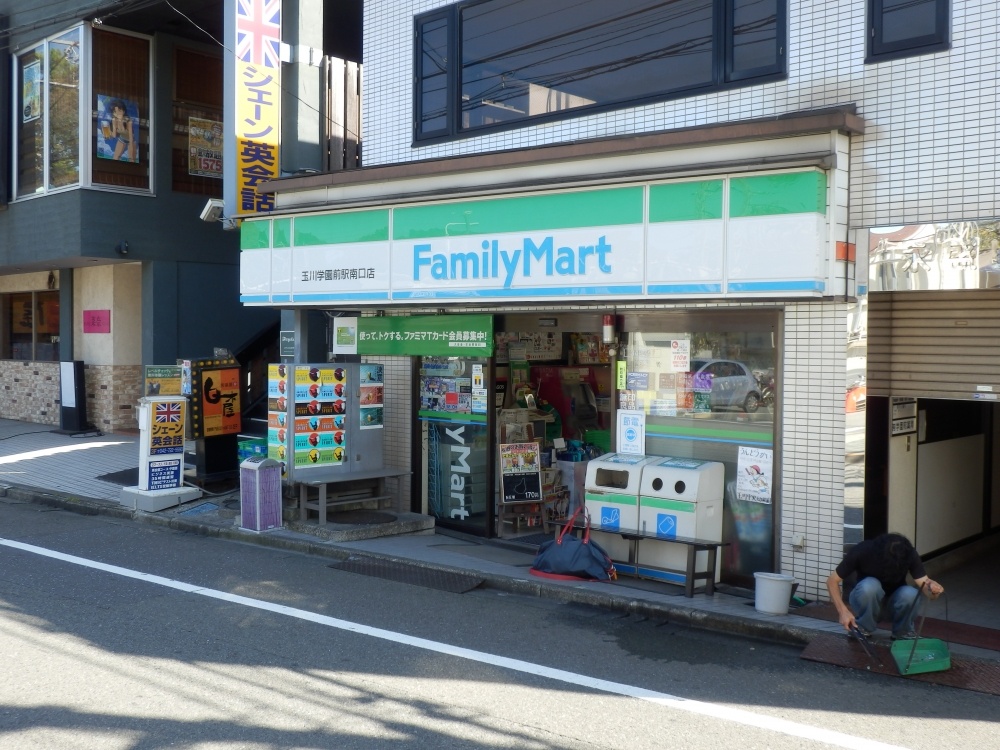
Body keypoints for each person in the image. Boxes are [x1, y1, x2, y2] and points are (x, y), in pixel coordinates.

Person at [826, 532, 943, 640]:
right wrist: (843, 612)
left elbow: (926, 587)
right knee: (870, 585)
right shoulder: (863, 550)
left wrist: (933, 590)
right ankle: (862, 627)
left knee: (911, 593)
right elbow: (832, 581)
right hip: (866, 602)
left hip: (893, 606)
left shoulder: (908, 553)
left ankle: (903, 632)